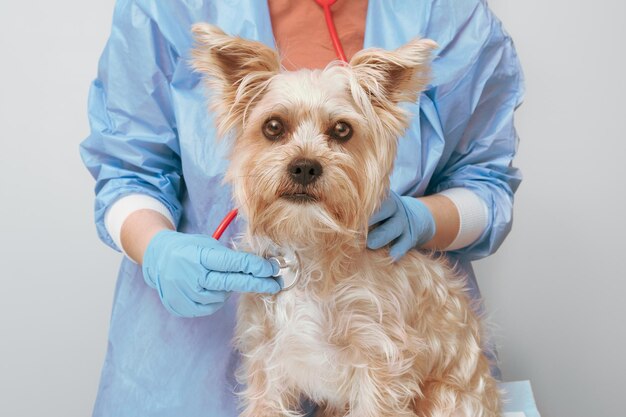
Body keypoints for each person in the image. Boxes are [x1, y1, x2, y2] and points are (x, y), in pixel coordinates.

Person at [80, 1, 524, 416]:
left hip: (406, 365)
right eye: (275, 128)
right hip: (188, 362)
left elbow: (485, 182)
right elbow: (127, 168)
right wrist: (157, 248)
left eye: (341, 132)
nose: (306, 162)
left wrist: (423, 218)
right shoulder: (169, 7)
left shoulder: (447, 13)